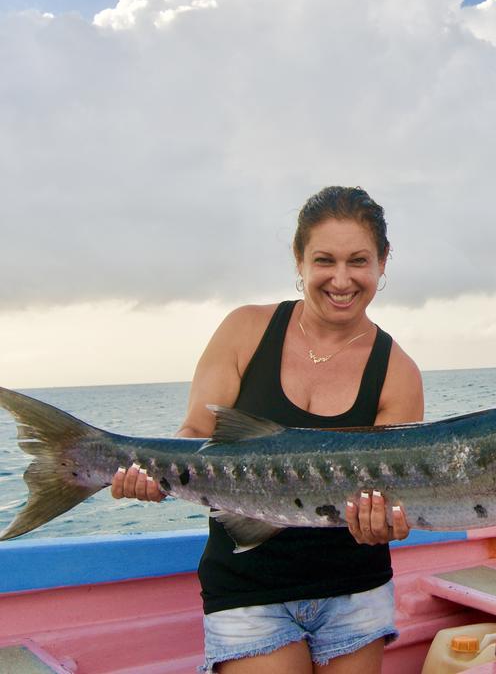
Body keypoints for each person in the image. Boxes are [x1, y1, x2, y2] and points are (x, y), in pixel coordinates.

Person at [111, 186, 424, 673]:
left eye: (358, 261)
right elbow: (197, 428)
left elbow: (395, 494)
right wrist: (156, 475)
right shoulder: (244, 330)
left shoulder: (398, 371)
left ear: (383, 263)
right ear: (298, 261)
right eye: (324, 260)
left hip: (356, 590)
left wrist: (387, 524)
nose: (341, 279)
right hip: (246, 586)